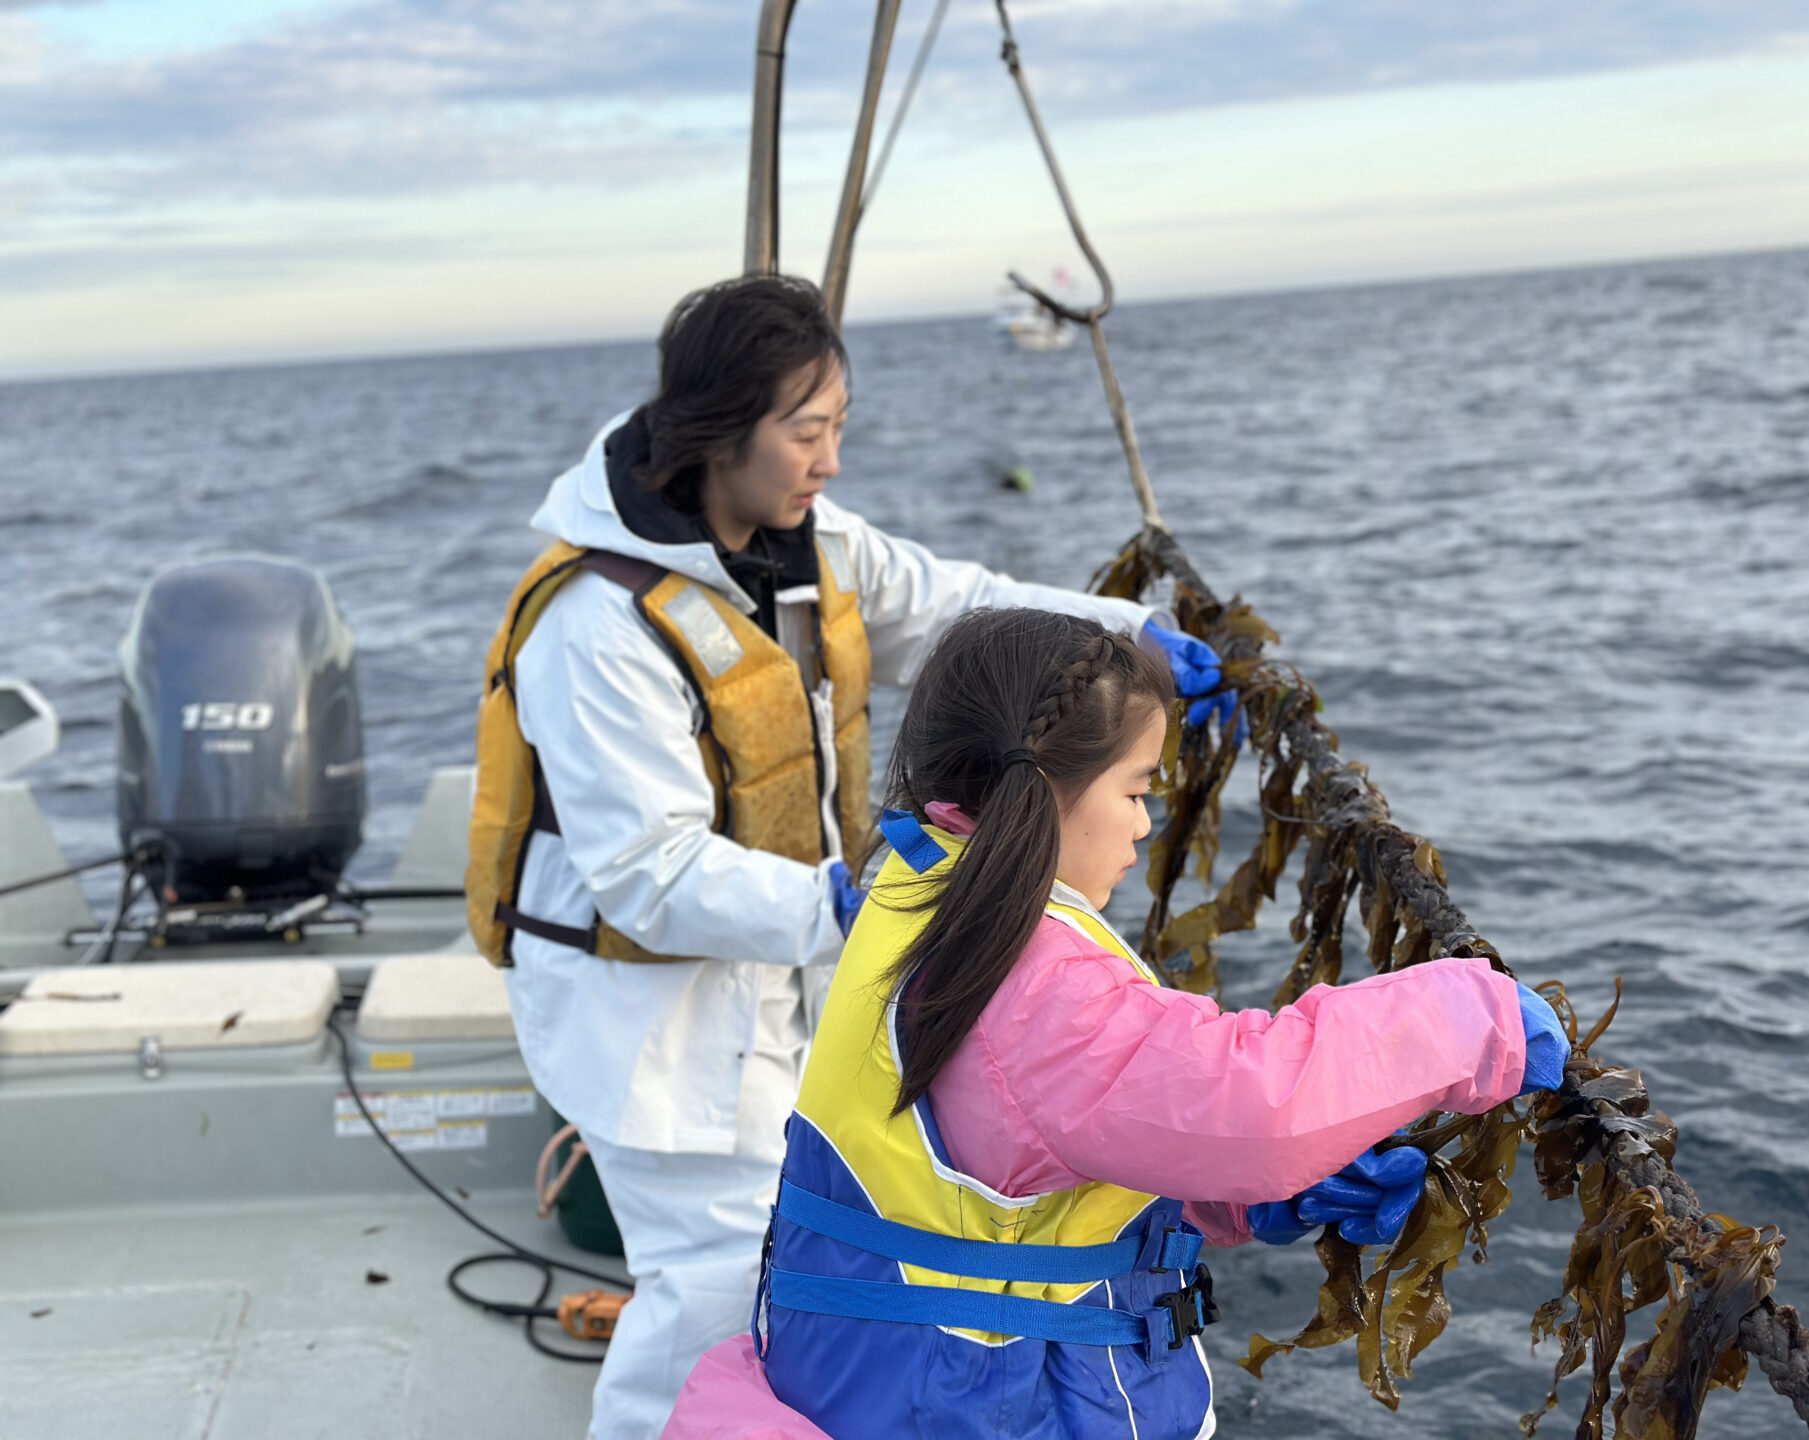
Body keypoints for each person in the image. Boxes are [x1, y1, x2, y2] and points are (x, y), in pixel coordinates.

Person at [467, 275, 1238, 1440]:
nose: (829, 458)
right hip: (645, 1026)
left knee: (764, 1273)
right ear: (721, 431)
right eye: (806, 430)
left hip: (775, 992)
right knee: (709, 1288)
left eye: (839, 427)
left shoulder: (807, 546)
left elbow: (959, 604)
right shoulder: (594, 626)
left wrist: (1124, 639)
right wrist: (845, 900)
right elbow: (647, 876)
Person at [659, 607, 1571, 1440]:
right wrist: (1467, 1015)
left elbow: (1015, 1154)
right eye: (1136, 791)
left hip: (877, 1388)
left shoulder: (918, 886)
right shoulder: (1035, 982)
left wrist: (1237, 1200)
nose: (1144, 826)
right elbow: (1252, 1106)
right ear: (1042, 794)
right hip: (988, 1411)